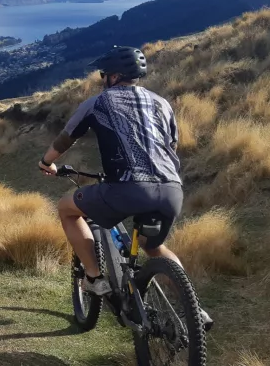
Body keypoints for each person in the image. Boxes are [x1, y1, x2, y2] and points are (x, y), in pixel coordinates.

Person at [36, 45, 213, 330]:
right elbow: (172, 146)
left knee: (67, 209)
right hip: (171, 190)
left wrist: (47, 162)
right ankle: (194, 308)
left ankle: (94, 278)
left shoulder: (99, 103)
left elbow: (66, 138)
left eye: (104, 74)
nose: (102, 79)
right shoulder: (162, 103)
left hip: (128, 189)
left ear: (115, 76)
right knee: (152, 246)